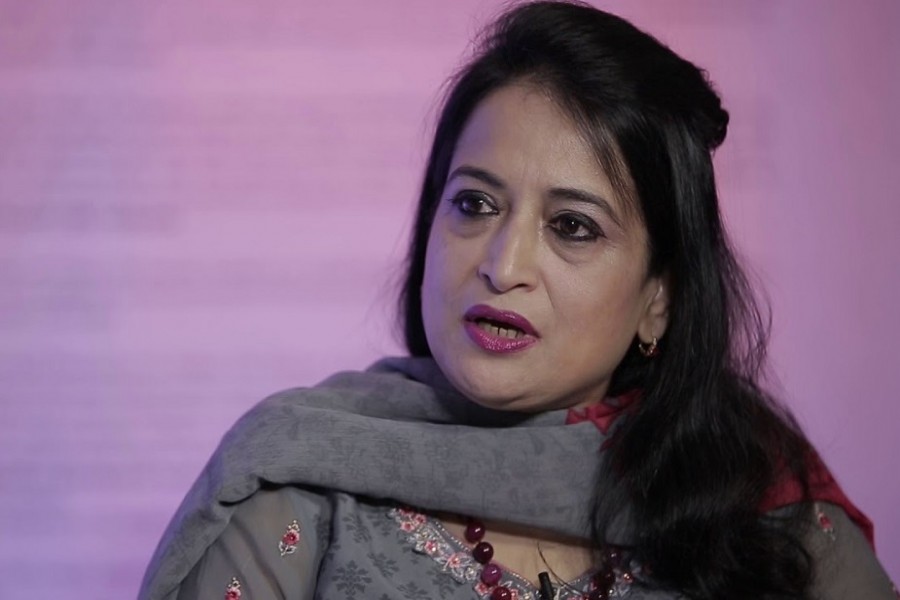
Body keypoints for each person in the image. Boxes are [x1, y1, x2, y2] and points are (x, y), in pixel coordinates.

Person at [139, 2, 896, 599]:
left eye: (572, 227)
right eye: (475, 205)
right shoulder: (299, 479)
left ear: (659, 298)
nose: (503, 267)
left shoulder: (765, 512)